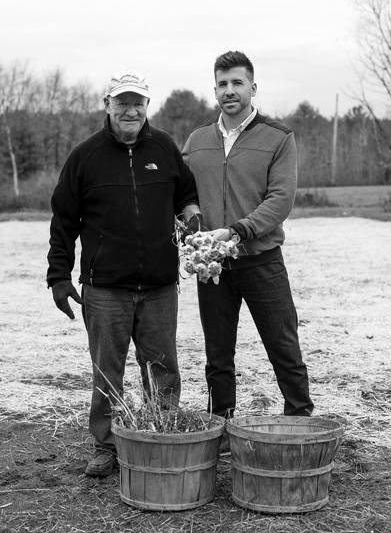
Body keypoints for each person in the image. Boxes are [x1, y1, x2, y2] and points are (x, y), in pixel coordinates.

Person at [47, 69, 202, 476]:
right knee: (107, 371)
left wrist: (193, 218)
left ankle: (160, 435)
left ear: (147, 106)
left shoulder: (165, 148)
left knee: (163, 367)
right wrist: (58, 277)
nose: (130, 110)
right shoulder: (86, 156)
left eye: (138, 102)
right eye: (122, 102)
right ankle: (107, 445)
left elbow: (186, 194)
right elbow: (63, 220)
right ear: (107, 105)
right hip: (105, 289)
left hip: (159, 286)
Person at [182, 51, 314, 449]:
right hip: (213, 265)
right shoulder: (197, 141)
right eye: (222, 84)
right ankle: (221, 427)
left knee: (283, 345)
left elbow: (280, 199)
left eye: (237, 83)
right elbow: (184, 195)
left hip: (261, 261)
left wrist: (239, 231)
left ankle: (300, 421)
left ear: (253, 88)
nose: (229, 91)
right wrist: (190, 226)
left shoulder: (278, 137)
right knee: (217, 353)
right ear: (215, 90)